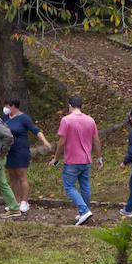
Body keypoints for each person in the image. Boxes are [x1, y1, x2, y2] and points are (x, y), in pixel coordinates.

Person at [51, 95, 101, 226]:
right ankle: (84, 211)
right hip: (86, 160)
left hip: (72, 160)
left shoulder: (66, 120)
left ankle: (84, 211)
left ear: (70, 105)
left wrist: (56, 158)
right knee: (85, 185)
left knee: (69, 187)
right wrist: (99, 157)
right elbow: (96, 140)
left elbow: (61, 142)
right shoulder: (90, 120)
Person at [1, 98, 51, 213]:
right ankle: (15, 202)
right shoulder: (5, 118)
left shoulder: (24, 118)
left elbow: (36, 130)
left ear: (13, 106)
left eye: (7, 106)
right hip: (9, 151)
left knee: (21, 176)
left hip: (21, 151)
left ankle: (24, 201)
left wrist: (45, 141)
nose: (5, 109)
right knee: (12, 176)